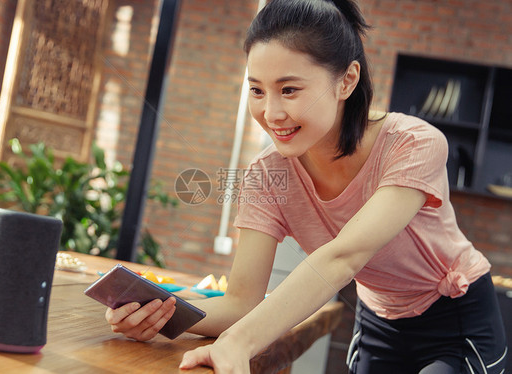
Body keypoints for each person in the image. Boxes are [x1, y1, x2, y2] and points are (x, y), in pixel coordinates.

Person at [105, 0, 508, 373]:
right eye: (257, 90)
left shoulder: (413, 144)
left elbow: (344, 256)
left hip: (456, 316)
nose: (271, 112)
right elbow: (242, 301)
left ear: (347, 80)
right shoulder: (266, 174)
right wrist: (160, 313)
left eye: (290, 89)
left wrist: (239, 342)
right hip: (379, 319)